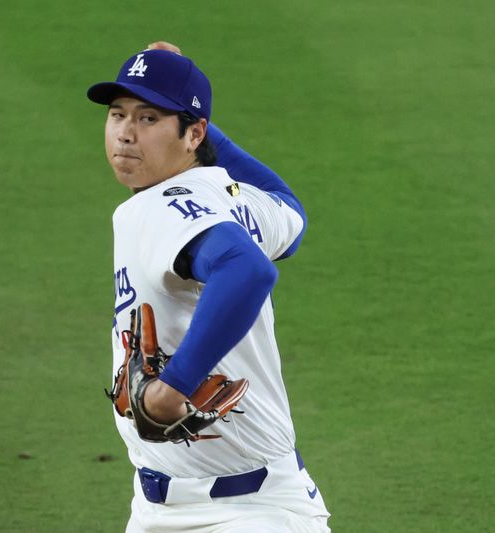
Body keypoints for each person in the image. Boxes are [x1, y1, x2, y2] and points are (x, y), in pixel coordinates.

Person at [87, 42, 331, 532]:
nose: (126, 135)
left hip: (245, 516)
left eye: (150, 119)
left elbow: (249, 271)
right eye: (118, 114)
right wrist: (187, 121)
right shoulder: (232, 196)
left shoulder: (157, 209)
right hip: (165, 508)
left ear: (192, 133)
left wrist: (174, 386)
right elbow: (291, 213)